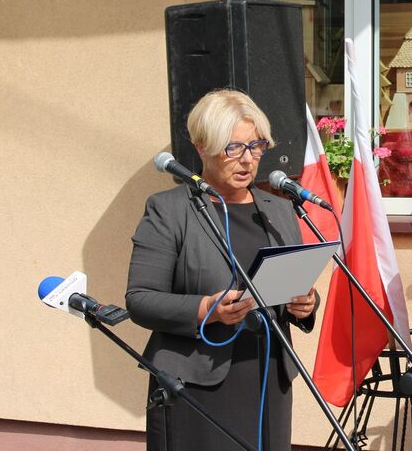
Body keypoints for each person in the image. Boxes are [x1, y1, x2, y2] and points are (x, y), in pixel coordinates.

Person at [126, 89, 320, 450]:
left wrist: (306, 304)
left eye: (256, 146)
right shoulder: (169, 210)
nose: (248, 160)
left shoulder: (278, 211)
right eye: (234, 148)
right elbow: (140, 299)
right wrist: (206, 309)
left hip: (268, 377)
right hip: (197, 383)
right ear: (202, 147)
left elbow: (289, 282)